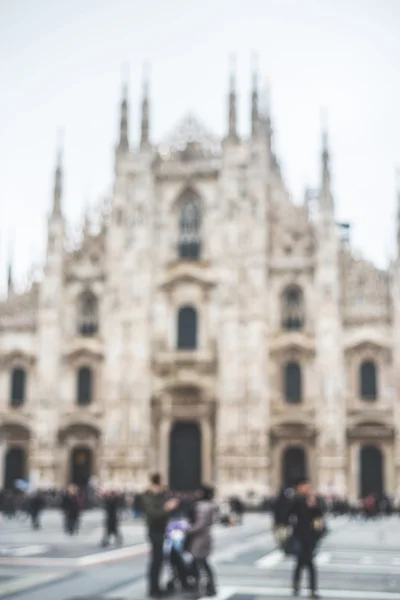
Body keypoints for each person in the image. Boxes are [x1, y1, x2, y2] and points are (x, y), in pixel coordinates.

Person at [142, 473, 179, 598]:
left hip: (161, 530)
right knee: (156, 560)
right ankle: (153, 589)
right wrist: (167, 507)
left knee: (159, 560)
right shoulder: (148, 495)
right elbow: (153, 513)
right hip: (154, 530)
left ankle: (156, 587)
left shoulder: (159, 494)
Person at [288, 478, 323, 598]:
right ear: (299, 487)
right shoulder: (296, 500)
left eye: (307, 486)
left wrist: (314, 505)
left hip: (310, 536)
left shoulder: (312, 500)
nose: (307, 488)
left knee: (307, 563)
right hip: (299, 536)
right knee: (302, 563)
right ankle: (305, 587)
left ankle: (308, 587)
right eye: (304, 486)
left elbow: (319, 515)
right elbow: (288, 514)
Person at [187, 484, 217, 597]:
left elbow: (201, 524)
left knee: (198, 562)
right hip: (205, 537)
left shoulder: (202, 506)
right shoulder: (209, 505)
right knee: (202, 562)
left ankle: (198, 587)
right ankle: (210, 586)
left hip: (199, 539)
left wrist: (188, 529)